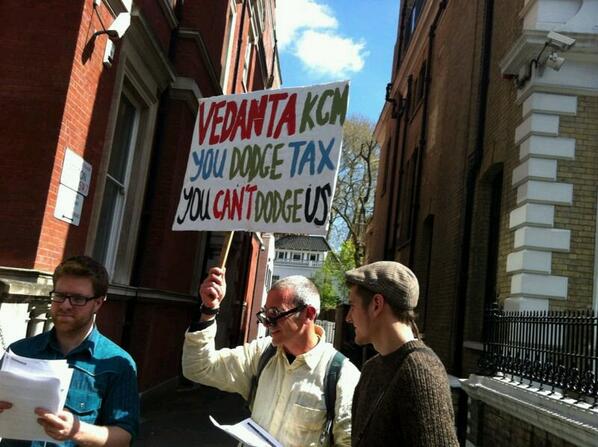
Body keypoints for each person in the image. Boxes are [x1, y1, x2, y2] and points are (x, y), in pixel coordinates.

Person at [182, 267, 360, 447]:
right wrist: (209, 310)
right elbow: (199, 368)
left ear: (309, 314)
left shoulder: (343, 377)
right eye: (265, 314)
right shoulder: (262, 353)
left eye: (275, 314)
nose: (267, 323)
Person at [0, 256, 139, 446]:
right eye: (59, 296)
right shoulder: (19, 351)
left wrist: (76, 430)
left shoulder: (117, 363)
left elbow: (124, 436)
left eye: (78, 298)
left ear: (98, 303)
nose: (65, 305)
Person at [345, 261, 459, 447]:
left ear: (376, 304)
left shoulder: (421, 371)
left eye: (352, 306)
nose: (348, 317)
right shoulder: (370, 369)